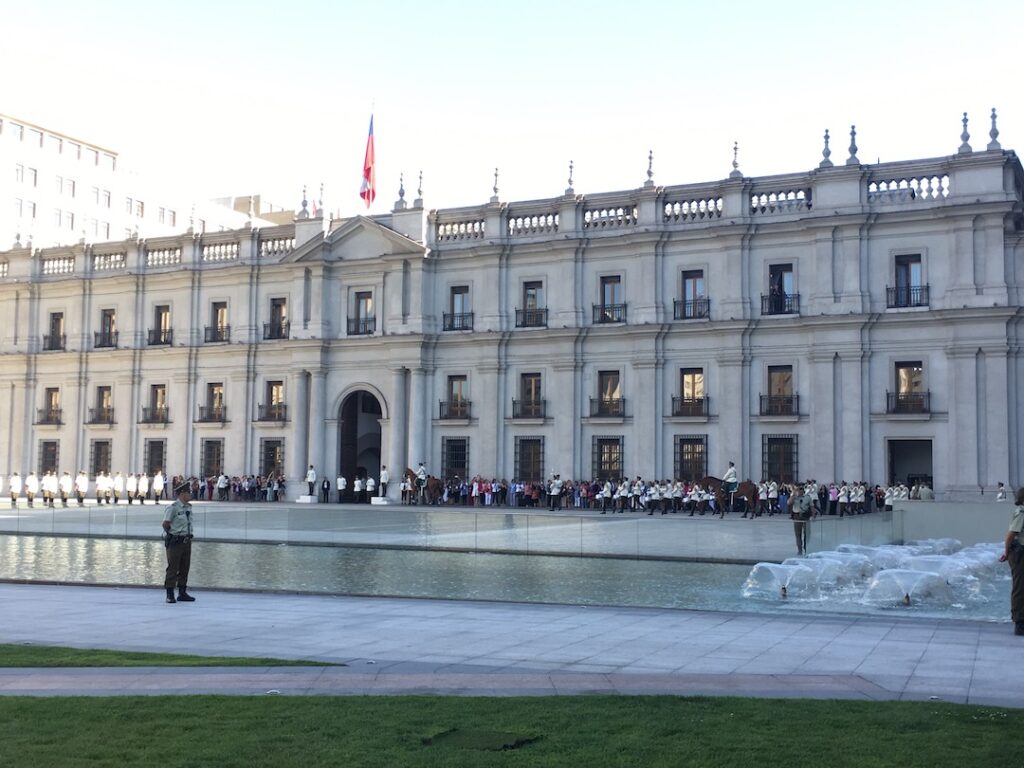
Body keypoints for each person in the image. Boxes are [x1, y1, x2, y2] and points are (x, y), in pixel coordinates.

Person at [161, 481, 196, 604]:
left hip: (187, 540)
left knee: (184, 567)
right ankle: (170, 593)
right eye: (188, 492)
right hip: (175, 541)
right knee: (173, 567)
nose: (190, 495)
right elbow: (165, 523)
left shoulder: (188, 507)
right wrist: (172, 535)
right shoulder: (173, 507)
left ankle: (182, 592)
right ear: (182, 494)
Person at [998, 486, 1024, 636]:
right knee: (1020, 587)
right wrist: (1006, 553)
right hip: (1019, 552)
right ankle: (1019, 622)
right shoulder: (1021, 512)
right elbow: (1010, 535)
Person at [791, 486, 815, 556]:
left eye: (800, 490)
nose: (799, 491)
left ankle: (806, 548)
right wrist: (793, 495)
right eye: (797, 490)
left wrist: (813, 516)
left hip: (805, 516)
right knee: (798, 534)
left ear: (803, 491)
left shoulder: (807, 497)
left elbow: (812, 506)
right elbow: (789, 503)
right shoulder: (794, 497)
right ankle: (799, 550)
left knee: (807, 533)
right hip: (797, 516)